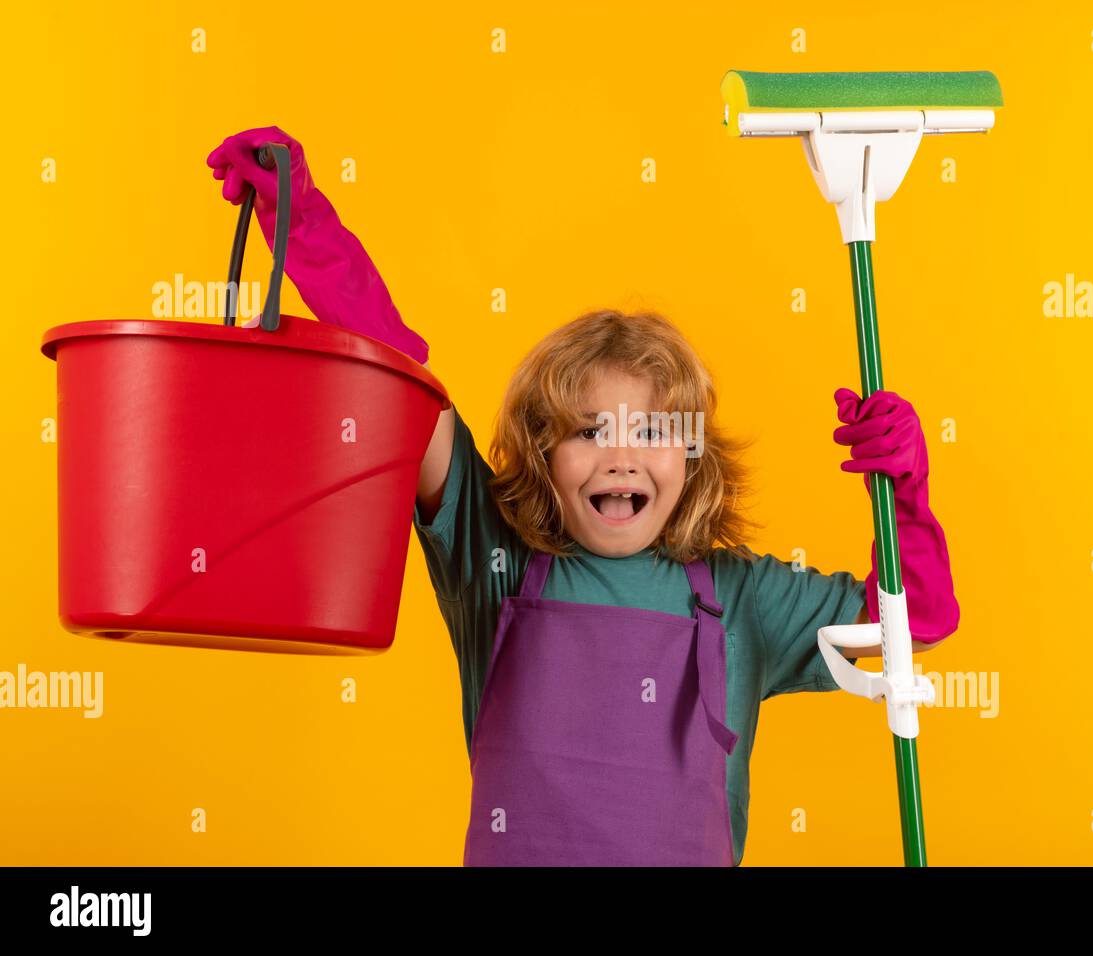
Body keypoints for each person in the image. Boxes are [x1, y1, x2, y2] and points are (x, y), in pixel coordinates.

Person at [207, 126, 961, 866]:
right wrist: (302, 223)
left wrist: (904, 494)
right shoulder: (492, 553)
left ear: (694, 457)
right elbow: (403, 385)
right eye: (590, 430)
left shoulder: (745, 597)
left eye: (653, 431)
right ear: (542, 453)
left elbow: (914, 622)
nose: (622, 458)